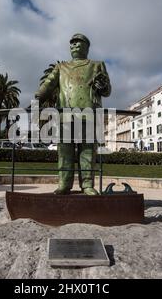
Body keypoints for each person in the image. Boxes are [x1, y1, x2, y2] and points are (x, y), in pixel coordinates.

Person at [35, 33, 111, 195]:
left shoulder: (97, 65)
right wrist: (38, 98)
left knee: (88, 152)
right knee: (64, 152)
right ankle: (64, 184)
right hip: (66, 116)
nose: (74, 46)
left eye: (78, 43)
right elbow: (48, 84)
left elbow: (107, 91)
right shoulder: (61, 67)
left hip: (89, 114)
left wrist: (102, 86)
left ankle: (87, 185)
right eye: (72, 44)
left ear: (87, 47)